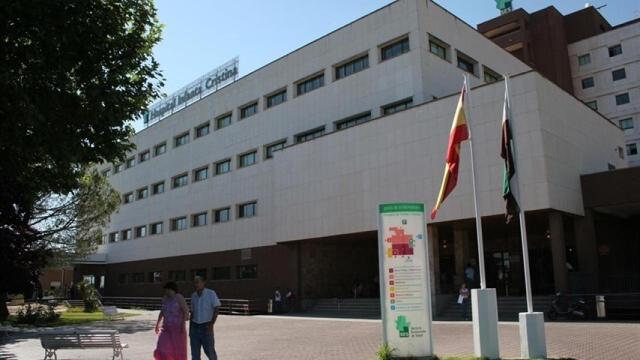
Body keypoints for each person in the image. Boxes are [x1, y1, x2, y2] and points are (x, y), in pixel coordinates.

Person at [154, 281, 189, 360]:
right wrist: (157, 324)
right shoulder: (165, 299)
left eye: (168, 290)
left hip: (178, 329)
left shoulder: (179, 297)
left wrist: (183, 325)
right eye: (165, 290)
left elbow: (186, 311)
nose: (166, 292)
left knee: (177, 350)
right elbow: (162, 312)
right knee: (162, 347)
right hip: (165, 328)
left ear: (172, 289)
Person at [190, 276, 221, 360]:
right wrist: (190, 328)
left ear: (203, 282)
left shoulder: (211, 293)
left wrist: (212, 324)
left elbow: (216, 308)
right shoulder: (193, 296)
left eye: (198, 282)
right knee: (195, 354)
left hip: (206, 327)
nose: (196, 284)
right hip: (195, 327)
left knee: (210, 352)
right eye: (194, 282)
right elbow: (192, 312)